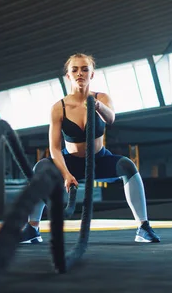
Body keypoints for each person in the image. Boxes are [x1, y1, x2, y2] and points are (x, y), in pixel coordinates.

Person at [20, 53, 160, 244]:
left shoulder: (102, 98)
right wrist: (66, 174)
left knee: (127, 166)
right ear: (68, 76)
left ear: (92, 74)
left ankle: (143, 227)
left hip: (99, 161)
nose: (80, 73)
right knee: (40, 168)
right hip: (71, 162)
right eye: (75, 70)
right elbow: (54, 148)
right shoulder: (58, 108)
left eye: (85, 69)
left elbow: (110, 119)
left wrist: (98, 106)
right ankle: (32, 229)